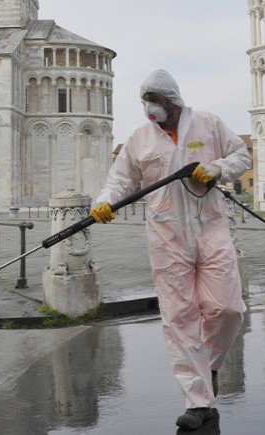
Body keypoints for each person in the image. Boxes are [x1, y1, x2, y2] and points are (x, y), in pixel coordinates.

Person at [90, 69, 251, 431]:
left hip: (211, 229)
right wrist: (104, 202)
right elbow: (120, 180)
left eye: (154, 100)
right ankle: (198, 401)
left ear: (171, 99)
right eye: (145, 101)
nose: (149, 107)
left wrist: (217, 168)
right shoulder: (140, 139)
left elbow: (242, 156)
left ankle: (208, 365)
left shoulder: (208, 124)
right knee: (179, 318)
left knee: (228, 308)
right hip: (167, 236)